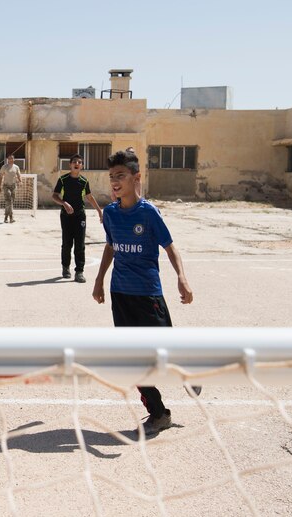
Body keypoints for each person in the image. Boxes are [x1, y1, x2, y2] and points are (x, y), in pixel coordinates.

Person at [92, 149, 194, 436]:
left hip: (148, 294)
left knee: (163, 349)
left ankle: (190, 369)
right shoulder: (110, 213)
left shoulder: (148, 213)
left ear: (136, 178)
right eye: (111, 176)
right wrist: (99, 280)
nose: (114, 181)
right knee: (131, 357)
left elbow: (169, 246)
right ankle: (158, 413)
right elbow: (110, 246)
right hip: (120, 294)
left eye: (120, 176)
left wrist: (182, 278)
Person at [51, 154, 103, 282]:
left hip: (80, 215)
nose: (77, 164)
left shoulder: (84, 181)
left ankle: (79, 272)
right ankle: (65, 267)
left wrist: (99, 211)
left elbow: (90, 197)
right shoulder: (63, 180)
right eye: (75, 162)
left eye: (80, 162)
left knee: (80, 244)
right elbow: (55, 195)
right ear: (70, 164)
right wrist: (64, 203)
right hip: (66, 216)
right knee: (67, 243)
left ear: (82, 166)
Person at [0, 154, 22, 223]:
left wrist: (21, 181)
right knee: (9, 201)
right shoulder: (4, 167)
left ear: (14, 159)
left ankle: (7, 218)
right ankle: (9, 217)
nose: (10, 160)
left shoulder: (16, 167)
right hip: (6, 186)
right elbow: (0, 177)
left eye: (12, 158)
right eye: (9, 158)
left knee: (11, 202)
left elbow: (19, 175)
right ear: (7, 159)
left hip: (13, 186)